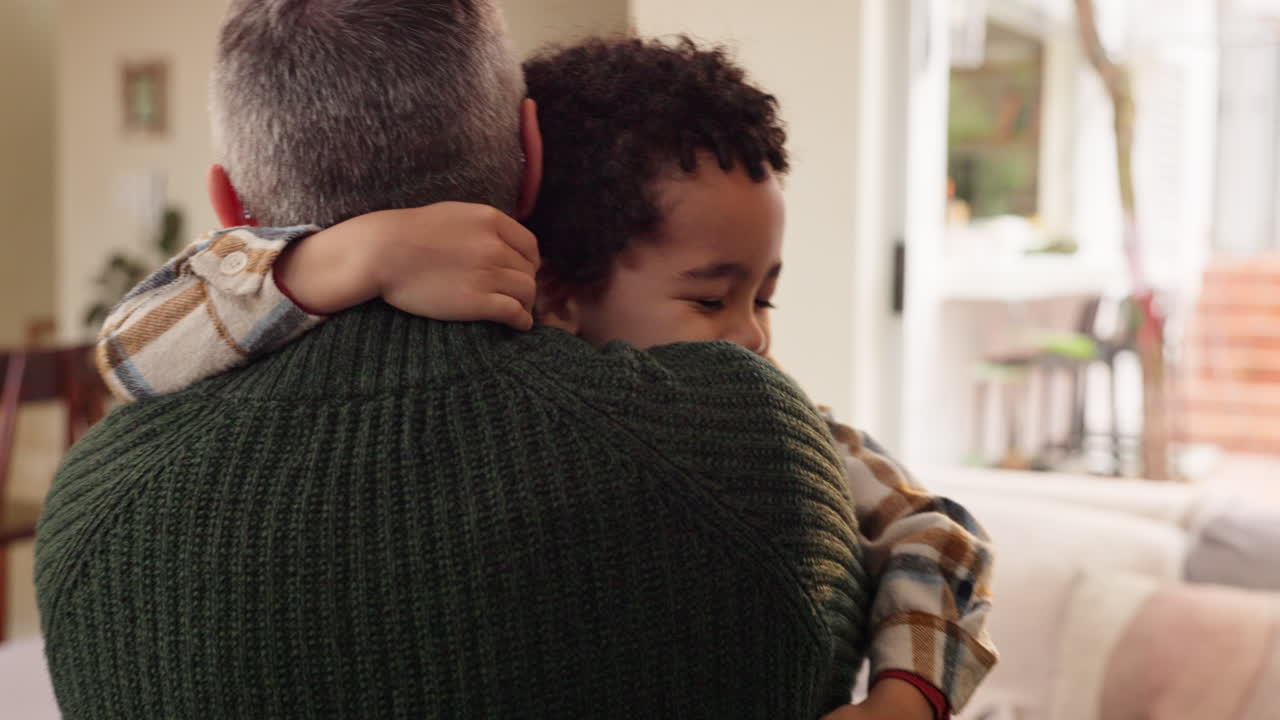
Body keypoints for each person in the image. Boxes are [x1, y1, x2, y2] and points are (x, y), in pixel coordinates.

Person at [87, 32, 997, 720]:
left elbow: (935, 527)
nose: (754, 339)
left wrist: (907, 698)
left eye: (766, 297)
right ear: (555, 287)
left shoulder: (764, 426)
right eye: (713, 299)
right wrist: (335, 262)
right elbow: (131, 349)